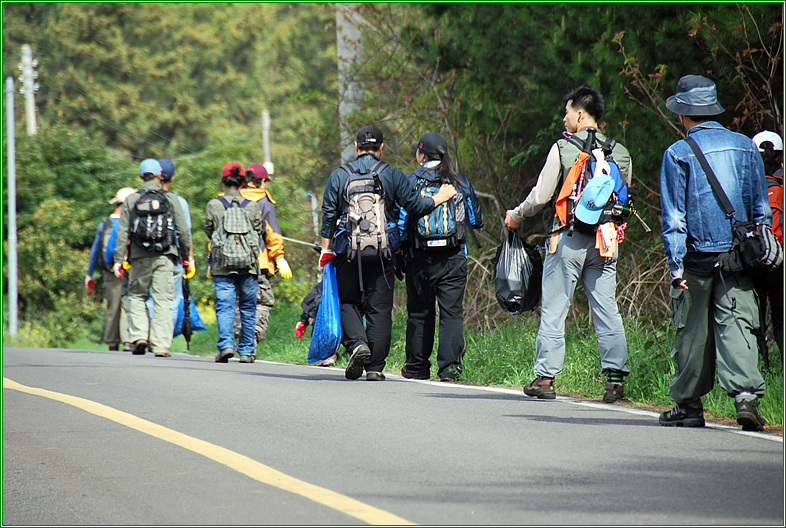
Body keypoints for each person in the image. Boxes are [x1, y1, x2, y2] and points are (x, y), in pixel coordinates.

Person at [504, 87, 631, 403]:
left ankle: (545, 379)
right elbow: (623, 198)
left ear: (579, 114)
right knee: (606, 309)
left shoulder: (563, 147)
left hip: (567, 238)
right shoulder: (621, 152)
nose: (564, 118)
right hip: (605, 241)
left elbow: (541, 196)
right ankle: (615, 381)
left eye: (566, 112)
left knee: (555, 308)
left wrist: (516, 216)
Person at [658, 75, 770, 431]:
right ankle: (746, 399)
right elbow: (760, 209)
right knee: (738, 323)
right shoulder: (745, 147)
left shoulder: (677, 154)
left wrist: (675, 267)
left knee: (691, 332)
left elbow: (675, 218)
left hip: (697, 258)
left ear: (684, 114)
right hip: (740, 255)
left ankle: (689, 406)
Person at [319, 125, 457, 381]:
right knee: (379, 308)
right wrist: (440, 197)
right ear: (381, 147)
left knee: (347, 301)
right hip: (384, 252)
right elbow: (415, 206)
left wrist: (326, 250)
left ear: (357, 147)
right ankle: (374, 368)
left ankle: (358, 343)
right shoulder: (392, 174)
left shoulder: (339, 175)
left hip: (349, 252)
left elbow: (328, 215)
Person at [398, 132, 484, 381]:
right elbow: (477, 221)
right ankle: (450, 369)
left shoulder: (410, 182)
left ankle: (416, 367)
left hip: (419, 258)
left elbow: (402, 224)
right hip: (454, 258)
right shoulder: (459, 182)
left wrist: (401, 252)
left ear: (421, 156)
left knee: (419, 312)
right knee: (452, 313)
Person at [113, 159, 192, 357]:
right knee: (163, 300)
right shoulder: (171, 198)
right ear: (160, 176)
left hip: (139, 256)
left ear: (140, 176)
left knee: (137, 296)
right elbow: (183, 230)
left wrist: (118, 259)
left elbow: (122, 232)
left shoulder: (132, 200)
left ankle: (139, 336)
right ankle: (161, 346)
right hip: (165, 256)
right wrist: (185, 255)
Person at [205, 162, 264, 363]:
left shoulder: (214, 205)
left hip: (222, 265)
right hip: (248, 266)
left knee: (225, 306)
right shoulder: (252, 206)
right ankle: (247, 351)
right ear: (243, 181)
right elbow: (258, 232)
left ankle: (226, 346)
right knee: (248, 307)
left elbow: (209, 231)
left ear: (224, 181)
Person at [236, 162, 292, 353]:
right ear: (260, 181)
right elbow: (272, 234)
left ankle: (239, 338)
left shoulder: (230, 199)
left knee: (238, 300)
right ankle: (251, 338)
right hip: (258, 262)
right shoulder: (264, 201)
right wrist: (280, 258)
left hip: (231, 262)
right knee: (261, 301)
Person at [145, 158, 196, 331]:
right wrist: (188, 258)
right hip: (171, 255)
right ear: (172, 177)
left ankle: (148, 335)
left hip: (143, 253)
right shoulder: (178, 201)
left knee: (148, 298)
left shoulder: (139, 199)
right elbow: (185, 233)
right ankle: (163, 339)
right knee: (170, 301)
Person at [86, 187, 136, 351]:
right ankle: (128, 340)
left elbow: (95, 250)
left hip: (109, 271)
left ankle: (111, 341)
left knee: (112, 306)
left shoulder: (105, 224)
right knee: (128, 303)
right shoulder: (131, 221)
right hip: (130, 267)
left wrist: (90, 273)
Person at [750, 131, 783, 369]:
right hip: (781, 259)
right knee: (781, 321)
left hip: (757, 259)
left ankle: (762, 369)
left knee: (756, 320)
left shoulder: (749, 185)